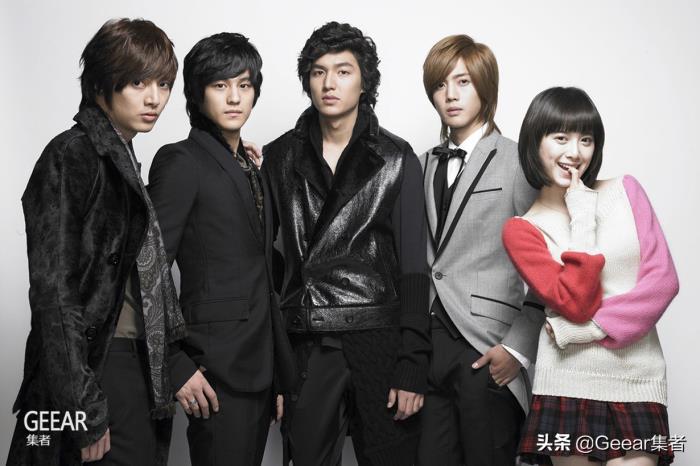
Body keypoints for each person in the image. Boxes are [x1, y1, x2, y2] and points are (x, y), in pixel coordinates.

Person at [8, 18, 185, 466]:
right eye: (138, 82)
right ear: (102, 83)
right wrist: (82, 408)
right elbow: (53, 293)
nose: (154, 98)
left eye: (164, 84)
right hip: (93, 372)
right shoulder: (73, 154)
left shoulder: (119, 157)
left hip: (126, 363)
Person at [261, 21, 431, 466]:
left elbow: (414, 269)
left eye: (342, 71)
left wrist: (413, 362)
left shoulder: (396, 158)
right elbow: (265, 266)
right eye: (318, 72)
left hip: (380, 338)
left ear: (364, 82)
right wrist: (276, 367)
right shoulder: (278, 157)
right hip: (308, 340)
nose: (329, 83)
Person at [502, 86, 679, 465]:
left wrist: (587, 331)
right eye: (560, 138)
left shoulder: (626, 191)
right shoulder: (523, 229)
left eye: (586, 139)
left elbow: (663, 282)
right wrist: (581, 216)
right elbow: (576, 303)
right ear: (535, 142)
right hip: (567, 382)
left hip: (638, 379)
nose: (575, 152)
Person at [147, 32, 295, 466]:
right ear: (197, 93)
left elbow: (263, 268)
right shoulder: (180, 161)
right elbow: (147, 271)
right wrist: (175, 363)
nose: (234, 97)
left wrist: (279, 373)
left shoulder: (250, 167)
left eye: (244, 85)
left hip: (260, 364)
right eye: (220, 85)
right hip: (211, 367)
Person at [416, 34, 543, 466]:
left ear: (485, 87)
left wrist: (517, 349)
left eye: (463, 82)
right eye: (440, 84)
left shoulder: (518, 161)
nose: (450, 95)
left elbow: (549, 265)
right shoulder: (422, 163)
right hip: (431, 346)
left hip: (487, 346)